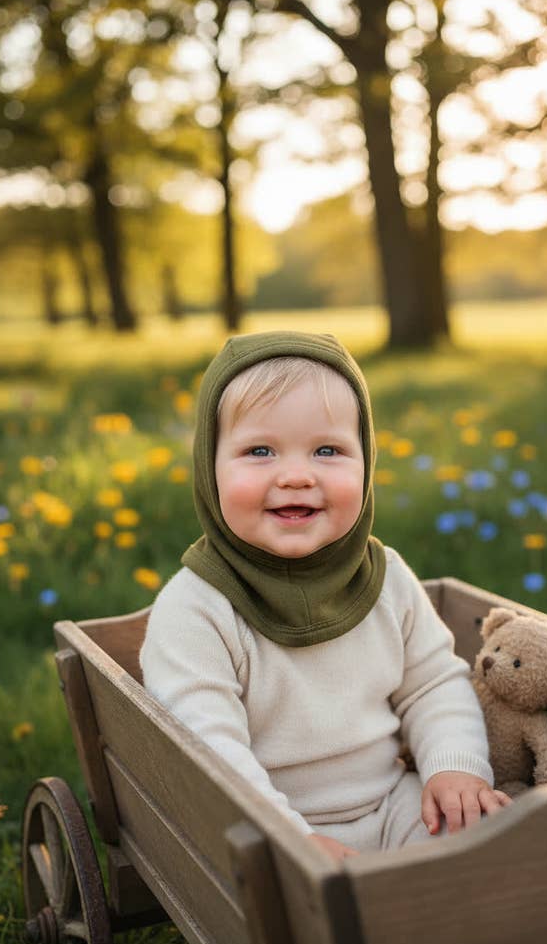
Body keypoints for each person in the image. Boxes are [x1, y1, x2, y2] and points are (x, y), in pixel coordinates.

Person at [140, 331, 510, 861]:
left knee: (477, 847)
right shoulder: (196, 609)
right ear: (208, 467)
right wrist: (289, 838)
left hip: (389, 803)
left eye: (328, 450)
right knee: (316, 908)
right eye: (259, 451)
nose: (296, 475)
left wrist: (454, 766)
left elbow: (433, 684)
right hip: (263, 831)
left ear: (367, 462)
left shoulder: (386, 580)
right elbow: (210, 745)